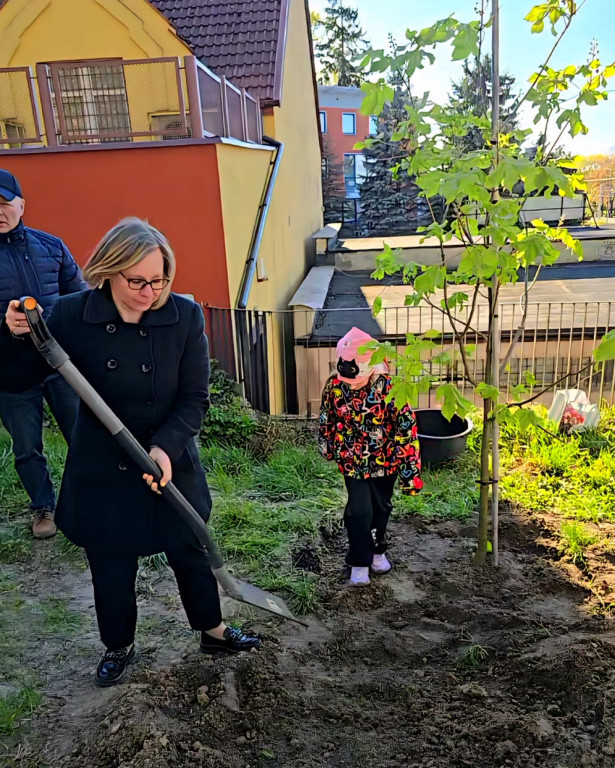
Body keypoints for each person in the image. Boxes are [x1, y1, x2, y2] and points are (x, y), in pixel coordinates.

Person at [6, 217, 261, 686]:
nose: (150, 292)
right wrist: (18, 332)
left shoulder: (183, 316)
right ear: (109, 270)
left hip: (170, 459)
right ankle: (118, 645)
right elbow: (20, 377)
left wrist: (165, 448)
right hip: (104, 465)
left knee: (191, 546)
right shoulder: (70, 315)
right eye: (137, 281)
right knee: (111, 561)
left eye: (160, 280)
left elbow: (193, 398)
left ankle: (212, 628)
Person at [0, 168, 85, 539]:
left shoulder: (52, 246)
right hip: (10, 373)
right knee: (26, 448)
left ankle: (86, 499)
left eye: (4, 203)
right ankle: (42, 508)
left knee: (82, 436)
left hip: (60, 365)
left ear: (21, 204)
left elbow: (80, 299)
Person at [318, 327, 423, 587]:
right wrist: (327, 445)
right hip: (352, 461)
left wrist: (410, 474)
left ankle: (378, 551)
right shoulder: (334, 387)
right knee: (359, 511)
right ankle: (359, 561)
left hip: (385, 461)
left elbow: (406, 429)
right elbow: (326, 418)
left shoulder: (389, 388)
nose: (351, 385)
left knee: (381, 508)